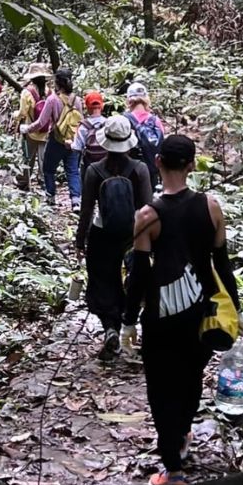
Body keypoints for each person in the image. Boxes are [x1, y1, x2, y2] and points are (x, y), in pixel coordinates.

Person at [122, 135, 241, 485]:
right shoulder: (212, 207)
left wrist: (129, 321)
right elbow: (222, 263)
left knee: (161, 390)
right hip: (201, 312)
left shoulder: (148, 216)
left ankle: (172, 469)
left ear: (157, 161)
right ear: (191, 164)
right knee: (190, 379)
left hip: (161, 316)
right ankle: (183, 434)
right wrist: (234, 309)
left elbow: (139, 274)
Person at [77, 115, 152, 360]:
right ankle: (131, 322)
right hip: (133, 235)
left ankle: (111, 327)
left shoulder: (94, 171)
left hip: (102, 234)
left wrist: (81, 241)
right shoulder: (139, 170)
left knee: (103, 280)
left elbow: (87, 210)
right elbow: (147, 208)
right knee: (136, 279)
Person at [19, 68, 83, 211]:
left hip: (56, 139)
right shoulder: (77, 100)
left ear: (56, 82)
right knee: (72, 170)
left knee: (48, 169)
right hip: (73, 141)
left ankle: (51, 196)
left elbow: (41, 122)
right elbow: (80, 121)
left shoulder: (53, 99)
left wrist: (27, 128)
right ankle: (76, 201)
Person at [14, 62, 52, 190]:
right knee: (44, 158)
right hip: (45, 130)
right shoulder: (50, 92)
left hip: (30, 129)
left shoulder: (27, 92)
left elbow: (22, 112)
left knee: (28, 157)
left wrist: (15, 116)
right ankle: (44, 182)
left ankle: (24, 181)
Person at [124, 81, 166, 190]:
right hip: (151, 170)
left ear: (129, 99)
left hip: (129, 171)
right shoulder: (155, 120)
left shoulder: (124, 120)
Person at [72, 90, 107, 175]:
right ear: (102, 106)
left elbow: (77, 148)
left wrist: (70, 143)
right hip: (107, 164)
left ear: (87, 107)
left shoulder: (83, 126)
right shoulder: (108, 123)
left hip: (90, 166)